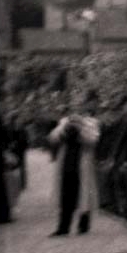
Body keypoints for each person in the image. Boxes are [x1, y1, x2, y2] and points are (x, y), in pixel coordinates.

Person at [47, 94, 101, 236]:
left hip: (82, 164)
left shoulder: (91, 122)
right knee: (66, 196)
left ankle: (84, 225)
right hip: (66, 164)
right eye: (75, 106)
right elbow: (53, 138)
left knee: (84, 195)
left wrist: (80, 129)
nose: (77, 109)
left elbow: (93, 140)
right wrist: (65, 129)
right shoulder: (64, 122)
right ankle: (63, 227)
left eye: (80, 105)